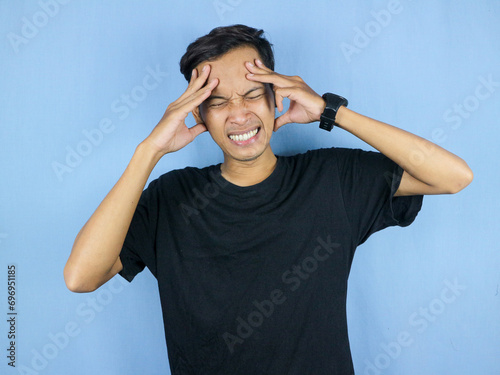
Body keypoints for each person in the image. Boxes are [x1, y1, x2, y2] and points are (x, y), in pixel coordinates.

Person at [64, 25, 473, 374]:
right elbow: (81, 277)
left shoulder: (332, 179)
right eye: (218, 102)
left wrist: (332, 111)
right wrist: (148, 152)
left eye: (252, 95)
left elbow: (454, 176)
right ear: (200, 116)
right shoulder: (171, 198)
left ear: (276, 97)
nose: (238, 114)